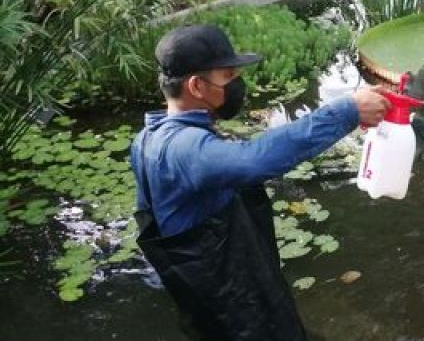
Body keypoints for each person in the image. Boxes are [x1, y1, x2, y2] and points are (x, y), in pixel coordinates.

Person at [129, 24, 390, 341]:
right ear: (197, 85)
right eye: (228, 77)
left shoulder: (149, 138)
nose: (238, 84)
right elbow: (253, 161)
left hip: (216, 306)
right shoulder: (183, 148)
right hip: (239, 315)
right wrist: (347, 111)